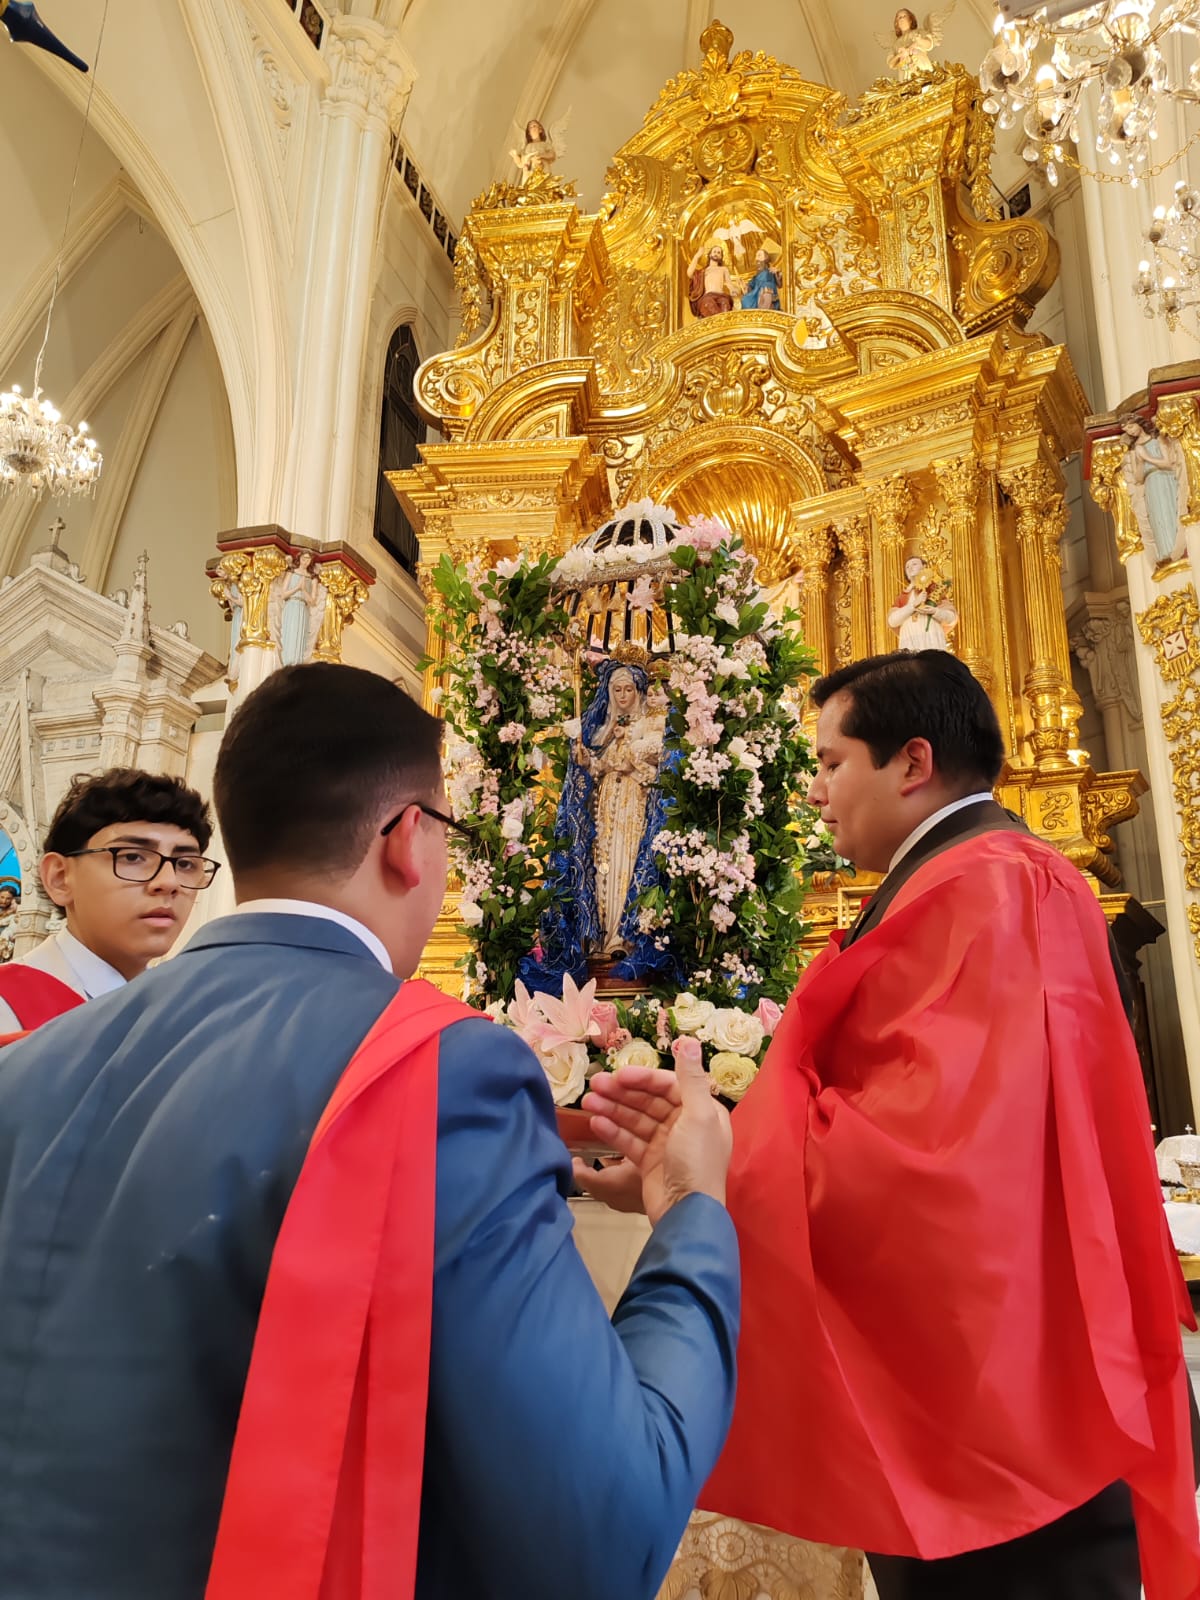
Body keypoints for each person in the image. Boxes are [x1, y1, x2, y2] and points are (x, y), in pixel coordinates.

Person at [0, 661, 738, 1600]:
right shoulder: (440, 1069)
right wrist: (691, 1206)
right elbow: (602, 1528)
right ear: (406, 839)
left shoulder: (25, 1067)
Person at [580, 649, 1200, 1600]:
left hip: (1006, 1398)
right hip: (976, 1381)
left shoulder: (993, 889)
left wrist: (711, 1174)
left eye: (832, 763)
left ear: (912, 763)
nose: (815, 793)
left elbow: (928, 1159)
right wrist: (690, 1176)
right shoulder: (961, 880)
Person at [0, 767, 216, 1035]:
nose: (169, 882)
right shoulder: (7, 1008)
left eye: (185, 863)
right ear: (59, 877)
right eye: (132, 857)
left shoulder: (187, 1017)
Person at [688, 245, 741, 317]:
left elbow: (729, 283)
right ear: (710, 254)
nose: (716, 254)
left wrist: (733, 290)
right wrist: (697, 256)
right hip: (708, 296)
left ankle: (721, 321)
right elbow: (689, 273)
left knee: (725, 304)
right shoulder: (704, 271)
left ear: (721, 257)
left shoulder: (723, 269)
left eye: (719, 253)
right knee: (708, 304)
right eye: (714, 252)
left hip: (721, 295)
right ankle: (719, 321)